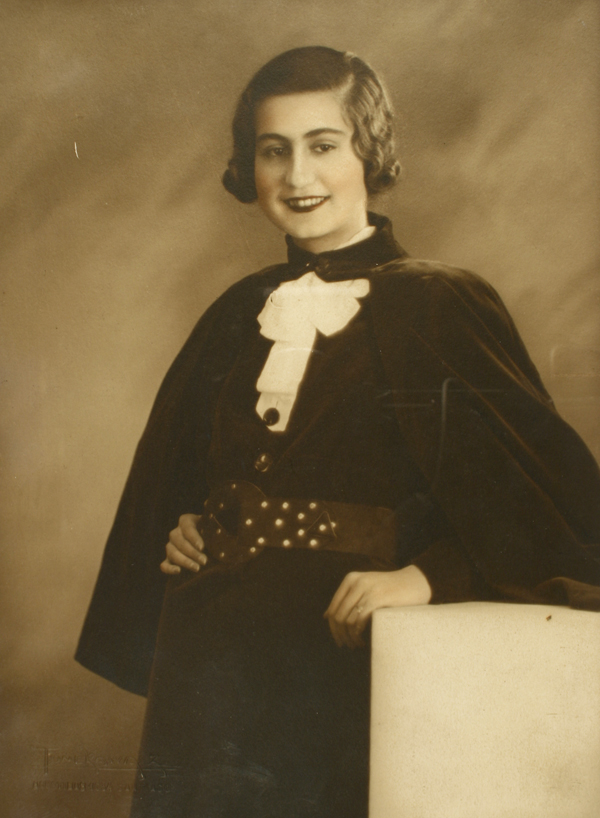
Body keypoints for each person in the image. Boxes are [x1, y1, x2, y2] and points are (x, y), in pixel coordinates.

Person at [76, 46, 600, 817]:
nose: (298, 176)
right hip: (215, 672)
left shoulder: (440, 304)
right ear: (249, 167)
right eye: (273, 151)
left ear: (369, 155)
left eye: (324, 146)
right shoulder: (232, 314)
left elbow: (550, 509)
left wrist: (428, 576)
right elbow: (181, 484)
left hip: (347, 665)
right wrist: (186, 528)